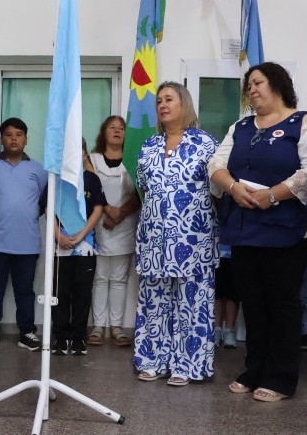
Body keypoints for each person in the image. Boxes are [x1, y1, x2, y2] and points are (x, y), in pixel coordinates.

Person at [209, 62, 307, 401]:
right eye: (249, 86)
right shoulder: (240, 127)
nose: (252, 90)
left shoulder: (304, 123)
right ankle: (253, 368)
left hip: (286, 231)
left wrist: (272, 194)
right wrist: (232, 188)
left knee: (282, 303)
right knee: (253, 303)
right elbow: (215, 163)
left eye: (258, 83)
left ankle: (280, 377)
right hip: (245, 228)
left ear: (278, 84)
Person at [132, 81, 217, 387]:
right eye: (159, 101)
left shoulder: (206, 144)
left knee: (192, 302)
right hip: (154, 238)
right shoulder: (149, 145)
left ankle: (187, 364)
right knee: (154, 301)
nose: (163, 105)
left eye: (169, 99)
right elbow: (143, 185)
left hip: (193, 239)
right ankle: (153, 360)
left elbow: (216, 187)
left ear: (184, 104)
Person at [0, 118, 47, 353]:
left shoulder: (38, 169)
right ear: (1, 138)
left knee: (26, 291)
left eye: (19, 134)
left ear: (26, 139)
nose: (14, 138)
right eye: (9, 134)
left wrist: (22, 216)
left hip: (27, 243)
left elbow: (43, 202)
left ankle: (27, 333)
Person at [87, 116, 139, 347]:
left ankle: (116, 327)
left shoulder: (134, 161)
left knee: (119, 279)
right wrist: (108, 211)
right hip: (97, 224)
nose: (117, 131)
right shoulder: (92, 159)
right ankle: (98, 326)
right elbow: (89, 188)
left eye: (121, 128)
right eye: (112, 127)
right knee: (99, 278)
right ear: (103, 132)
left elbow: (140, 192)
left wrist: (120, 214)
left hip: (125, 226)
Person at [51, 140, 106, 356]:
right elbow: (49, 208)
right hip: (61, 246)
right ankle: (61, 337)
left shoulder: (91, 179)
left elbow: (98, 209)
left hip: (85, 247)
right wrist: (59, 236)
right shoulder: (55, 179)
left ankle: (78, 338)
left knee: (82, 293)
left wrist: (81, 235)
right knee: (60, 293)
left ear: (84, 154)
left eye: (78, 150)